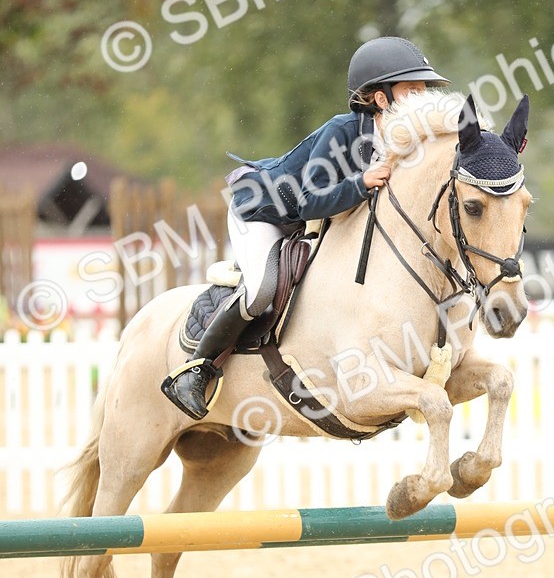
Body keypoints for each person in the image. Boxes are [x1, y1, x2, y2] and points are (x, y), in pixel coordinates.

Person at [161, 36, 449, 420]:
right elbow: (310, 201)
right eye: (412, 89)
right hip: (263, 210)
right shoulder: (342, 132)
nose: (423, 97)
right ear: (381, 98)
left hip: (306, 220)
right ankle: (196, 371)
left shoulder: (407, 142)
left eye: (424, 89)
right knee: (262, 288)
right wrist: (359, 183)